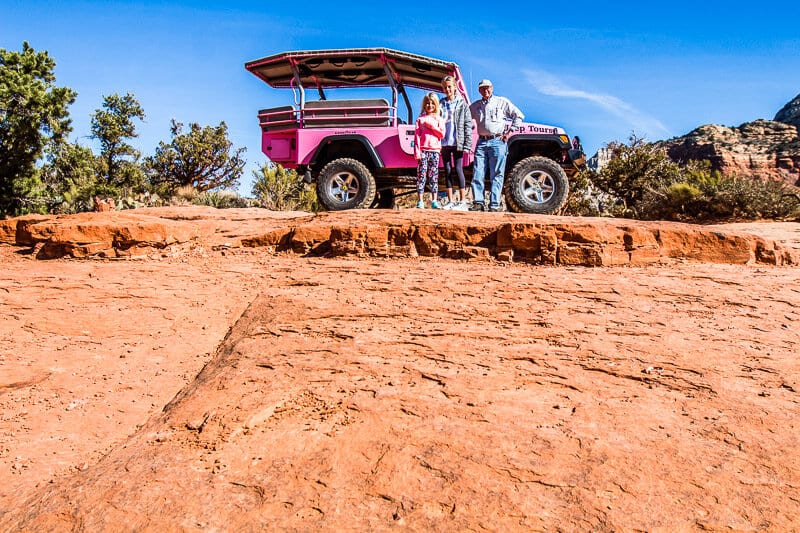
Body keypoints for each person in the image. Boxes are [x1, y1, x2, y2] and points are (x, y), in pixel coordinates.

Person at [468, 79, 524, 212]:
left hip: (498, 141)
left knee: (497, 173)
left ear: (492, 88)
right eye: (482, 88)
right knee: (478, 171)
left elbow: (519, 116)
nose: (485, 90)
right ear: (479, 90)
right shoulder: (475, 106)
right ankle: (478, 202)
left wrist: (509, 132)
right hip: (481, 141)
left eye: (487, 87)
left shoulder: (501, 102)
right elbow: (466, 119)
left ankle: (494, 204)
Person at [439, 75, 473, 211]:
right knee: (447, 170)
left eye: (450, 87)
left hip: (457, 141)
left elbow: (467, 124)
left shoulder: (462, 104)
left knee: (458, 169)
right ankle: (450, 201)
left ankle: (463, 201)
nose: (448, 89)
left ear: (454, 87)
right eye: (445, 87)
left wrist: (467, 144)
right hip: (444, 141)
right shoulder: (441, 103)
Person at [414, 92, 446, 209]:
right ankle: (420, 201)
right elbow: (417, 136)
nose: (430, 105)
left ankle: (434, 200)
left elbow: (442, 134)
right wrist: (417, 151)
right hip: (423, 150)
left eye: (432, 103)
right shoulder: (420, 119)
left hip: (435, 150)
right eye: (428, 103)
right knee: (421, 175)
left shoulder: (439, 119)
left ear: (436, 104)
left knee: (434, 175)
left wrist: (431, 126)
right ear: (424, 105)